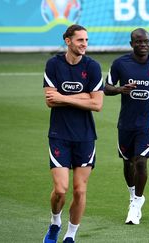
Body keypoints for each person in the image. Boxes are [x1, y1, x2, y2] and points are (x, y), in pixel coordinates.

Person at [43, 24, 104, 243]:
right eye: (80, 40)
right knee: (60, 189)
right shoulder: (53, 65)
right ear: (68, 41)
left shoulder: (93, 67)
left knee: (79, 191)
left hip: (85, 137)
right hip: (59, 135)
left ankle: (70, 235)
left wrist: (65, 98)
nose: (84, 44)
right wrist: (83, 96)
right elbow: (50, 100)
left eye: (86, 40)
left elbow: (97, 104)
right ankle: (55, 221)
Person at [104, 28, 149, 225]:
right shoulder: (121, 64)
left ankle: (137, 203)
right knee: (128, 162)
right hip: (126, 123)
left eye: (146, 41)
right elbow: (106, 87)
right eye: (138, 42)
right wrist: (121, 89)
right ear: (131, 44)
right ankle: (132, 195)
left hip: (147, 125)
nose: (143, 45)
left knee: (141, 162)